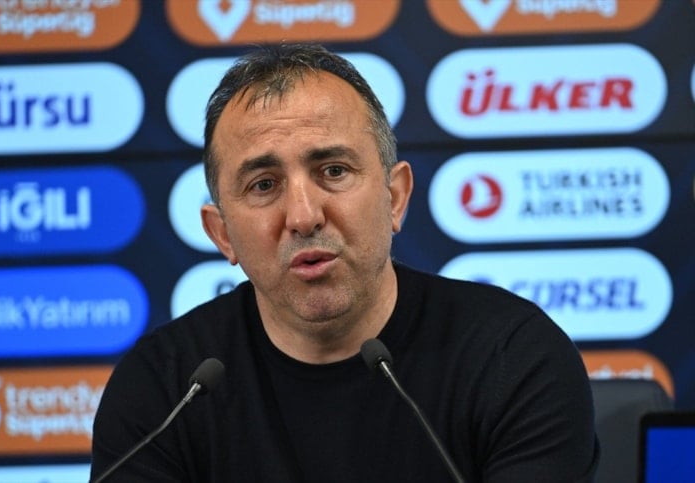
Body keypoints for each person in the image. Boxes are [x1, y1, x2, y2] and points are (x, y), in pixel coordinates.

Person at [90, 43, 599, 482]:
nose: (304, 216)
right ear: (222, 234)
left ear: (395, 197)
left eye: (333, 171)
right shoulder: (165, 390)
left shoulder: (513, 357)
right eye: (263, 185)